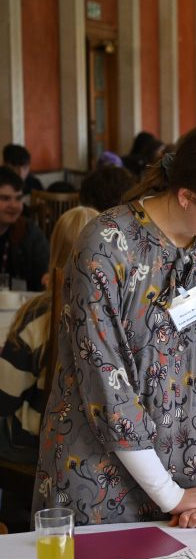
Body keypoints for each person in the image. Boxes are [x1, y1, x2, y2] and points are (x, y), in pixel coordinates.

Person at [33, 119, 196, 527]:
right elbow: (104, 380)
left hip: (187, 477)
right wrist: (171, 495)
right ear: (186, 196)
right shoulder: (107, 245)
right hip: (97, 477)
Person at [0, 207, 99, 532]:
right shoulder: (112, 311)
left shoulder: (38, 313)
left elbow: (5, 398)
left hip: (34, 442)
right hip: (98, 443)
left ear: (54, 248)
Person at [0, 167, 49, 291]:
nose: (14, 206)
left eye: (18, 198)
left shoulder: (29, 232)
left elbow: (43, 276)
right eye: (5, 198)